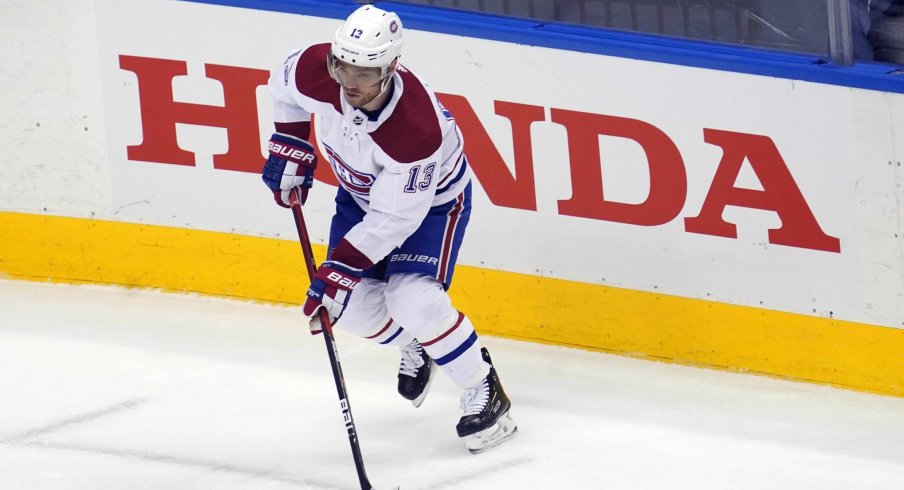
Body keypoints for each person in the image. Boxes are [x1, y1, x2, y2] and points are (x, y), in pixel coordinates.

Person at [260, 5, 517, 454]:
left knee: (411, 298)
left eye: (366, 72)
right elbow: (282, 86)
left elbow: (397, 219)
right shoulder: (317, 69)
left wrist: (340, 265)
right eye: (343, 67)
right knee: (352, 308)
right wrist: (292, 141)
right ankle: (424, 342)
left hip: (431, 207)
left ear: (391, 66)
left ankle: (484, 388)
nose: (350, 83)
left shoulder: (415, 131)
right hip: (360, 198)